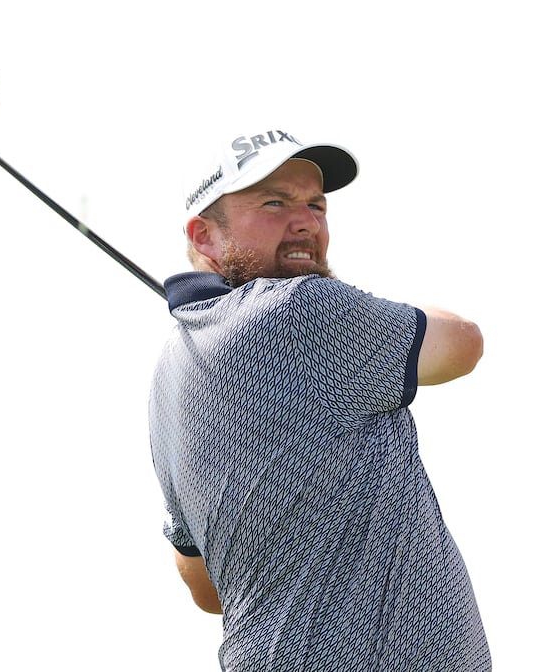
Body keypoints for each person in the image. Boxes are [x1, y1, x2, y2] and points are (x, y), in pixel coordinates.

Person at [148, 129, 490, 671]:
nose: (305, 220)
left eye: (315, 204)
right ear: (205, 237)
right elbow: (463, 343)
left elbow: (205, 588)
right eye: (274, 202)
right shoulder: (302, 310)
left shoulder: (168, 381)